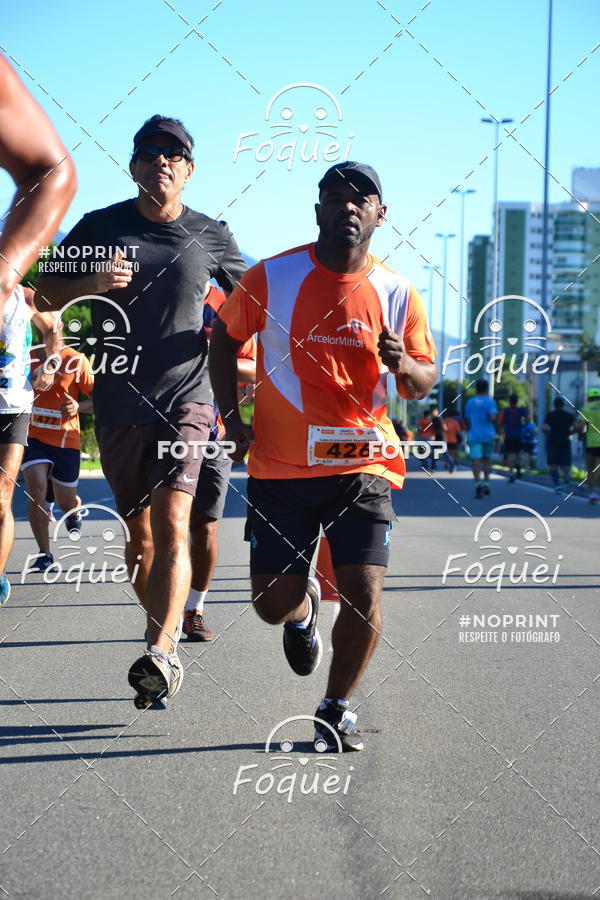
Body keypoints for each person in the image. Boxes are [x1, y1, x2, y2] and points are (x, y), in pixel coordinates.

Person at [209, 161, 437, 751]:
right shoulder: (270, 277)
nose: (347, 206)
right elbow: (223, 338)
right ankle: (305, 610)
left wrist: (402, 363)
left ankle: (335, 708)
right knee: (270, 604)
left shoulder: (396, 292)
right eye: (334, 197)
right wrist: (233, 418)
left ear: (380, 214)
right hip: (281, 468)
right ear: (318, 211)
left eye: (361, 198)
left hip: (362, 466)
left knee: (364, 593)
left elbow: (421, 381)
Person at [37, 115, 247, 706]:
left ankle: (162, 651)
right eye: (149, 152)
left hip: (189, 399)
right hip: (119, 400)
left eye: (173, 153)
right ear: (132, 167)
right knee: (139, 536)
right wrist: (92, 279)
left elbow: (254, 300)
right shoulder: (98, 227)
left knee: (174, 517)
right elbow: (44, 293)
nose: (161, 160)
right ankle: (162, 625)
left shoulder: (211, 234)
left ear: (188, 170)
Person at [0, 55, 76, 604]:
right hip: (26, 406)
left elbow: (55, 331)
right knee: (29, 485)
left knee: (7, 489)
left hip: (13, 397)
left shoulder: (20, 294)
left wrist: (49, 364)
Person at [184, 284, 256, 642]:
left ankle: (193, 609)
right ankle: (162, 611)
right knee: (163, 524)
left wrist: (214, 355)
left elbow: (255, 369)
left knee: (205, 526)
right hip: (162, 426)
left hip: (216, 430)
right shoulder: (160, 290)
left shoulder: (230, 304)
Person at [0, 288, 60, 602]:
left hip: (13, 407)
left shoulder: (25, 298)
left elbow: (52, 329)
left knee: (2, 495)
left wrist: (50, 365)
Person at [21, 338, 94, 570]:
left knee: (66, 501)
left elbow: (100, 398)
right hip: (33, 437)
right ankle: (45, 554)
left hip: (65, 440)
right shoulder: (27, 356)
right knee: (36, 488)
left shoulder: (76, 360)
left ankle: (75, 509)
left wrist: (78, 407)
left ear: (60, 327)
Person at [465, 379, 497, 498]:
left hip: (474, 435)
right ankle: (487, 483)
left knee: (475, 461)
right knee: (487, 460)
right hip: (488, 435)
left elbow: (467, 420)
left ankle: (478, 484)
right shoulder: (491, 402)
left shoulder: (470, 402)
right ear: (487, 388)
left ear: (476, 389)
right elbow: (493, 417)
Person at [542, 397, 575, 493]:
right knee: (565, 464)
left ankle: (557, 485)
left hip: (553, 442)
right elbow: (577, 426)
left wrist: (548, 432)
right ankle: (567, 473)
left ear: (554, 405)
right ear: (563, 405)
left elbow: (544, 428)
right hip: (565, 441)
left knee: (553, 465)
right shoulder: (569, 415)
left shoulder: (550, 415)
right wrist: (570, 432)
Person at [575, 387, 600, 504]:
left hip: (592, 443)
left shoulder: (586, 409)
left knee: (590, 469)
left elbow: (581, 427)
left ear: (589, 398)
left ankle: (592, 494)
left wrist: (580, 436)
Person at [499, 394, 525, 482]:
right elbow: (527, 419)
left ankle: (511, 473)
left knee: (510, 454)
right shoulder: (521, 410)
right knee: (518, 454)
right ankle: (518, 465)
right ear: (517, 401)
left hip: (509, 435)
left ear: (509, 401)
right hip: (519, 435)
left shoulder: (505, 411)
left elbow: (500, 422)